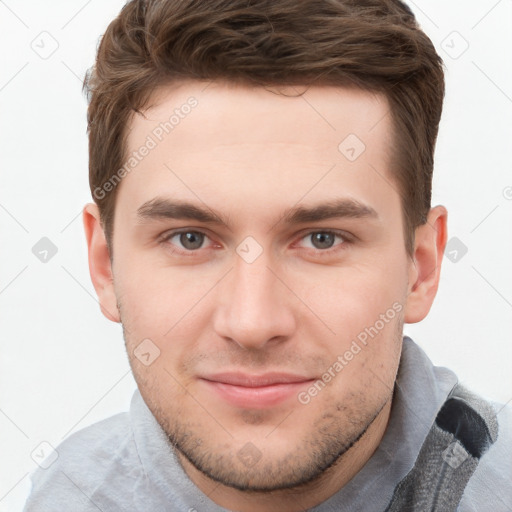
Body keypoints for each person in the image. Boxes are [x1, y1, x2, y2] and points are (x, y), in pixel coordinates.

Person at [24, 0, 511, 510]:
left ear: (422, 269)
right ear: (105, 266)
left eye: (323, 239)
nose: (252, 324)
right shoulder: (67, 495)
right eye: (189, 238)